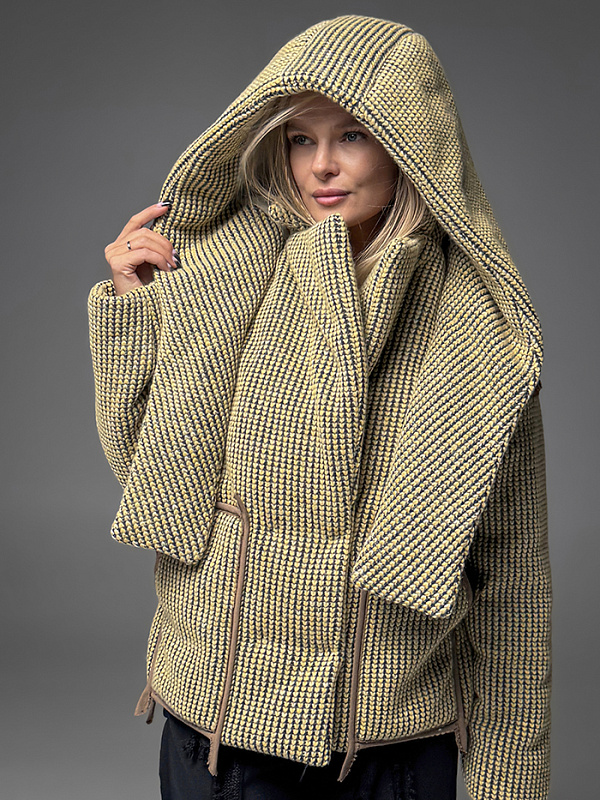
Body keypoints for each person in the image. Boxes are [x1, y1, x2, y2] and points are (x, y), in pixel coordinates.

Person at [89, 15, 551, 800]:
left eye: (353, 136)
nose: (321, 165)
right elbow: (150, 473)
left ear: (411, 143)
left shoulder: (484, 333)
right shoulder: (226, 275)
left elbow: (512, 578)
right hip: (222, 735)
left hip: (391, 749)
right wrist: (132, 312)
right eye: (301, 139)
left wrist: (511, 782)